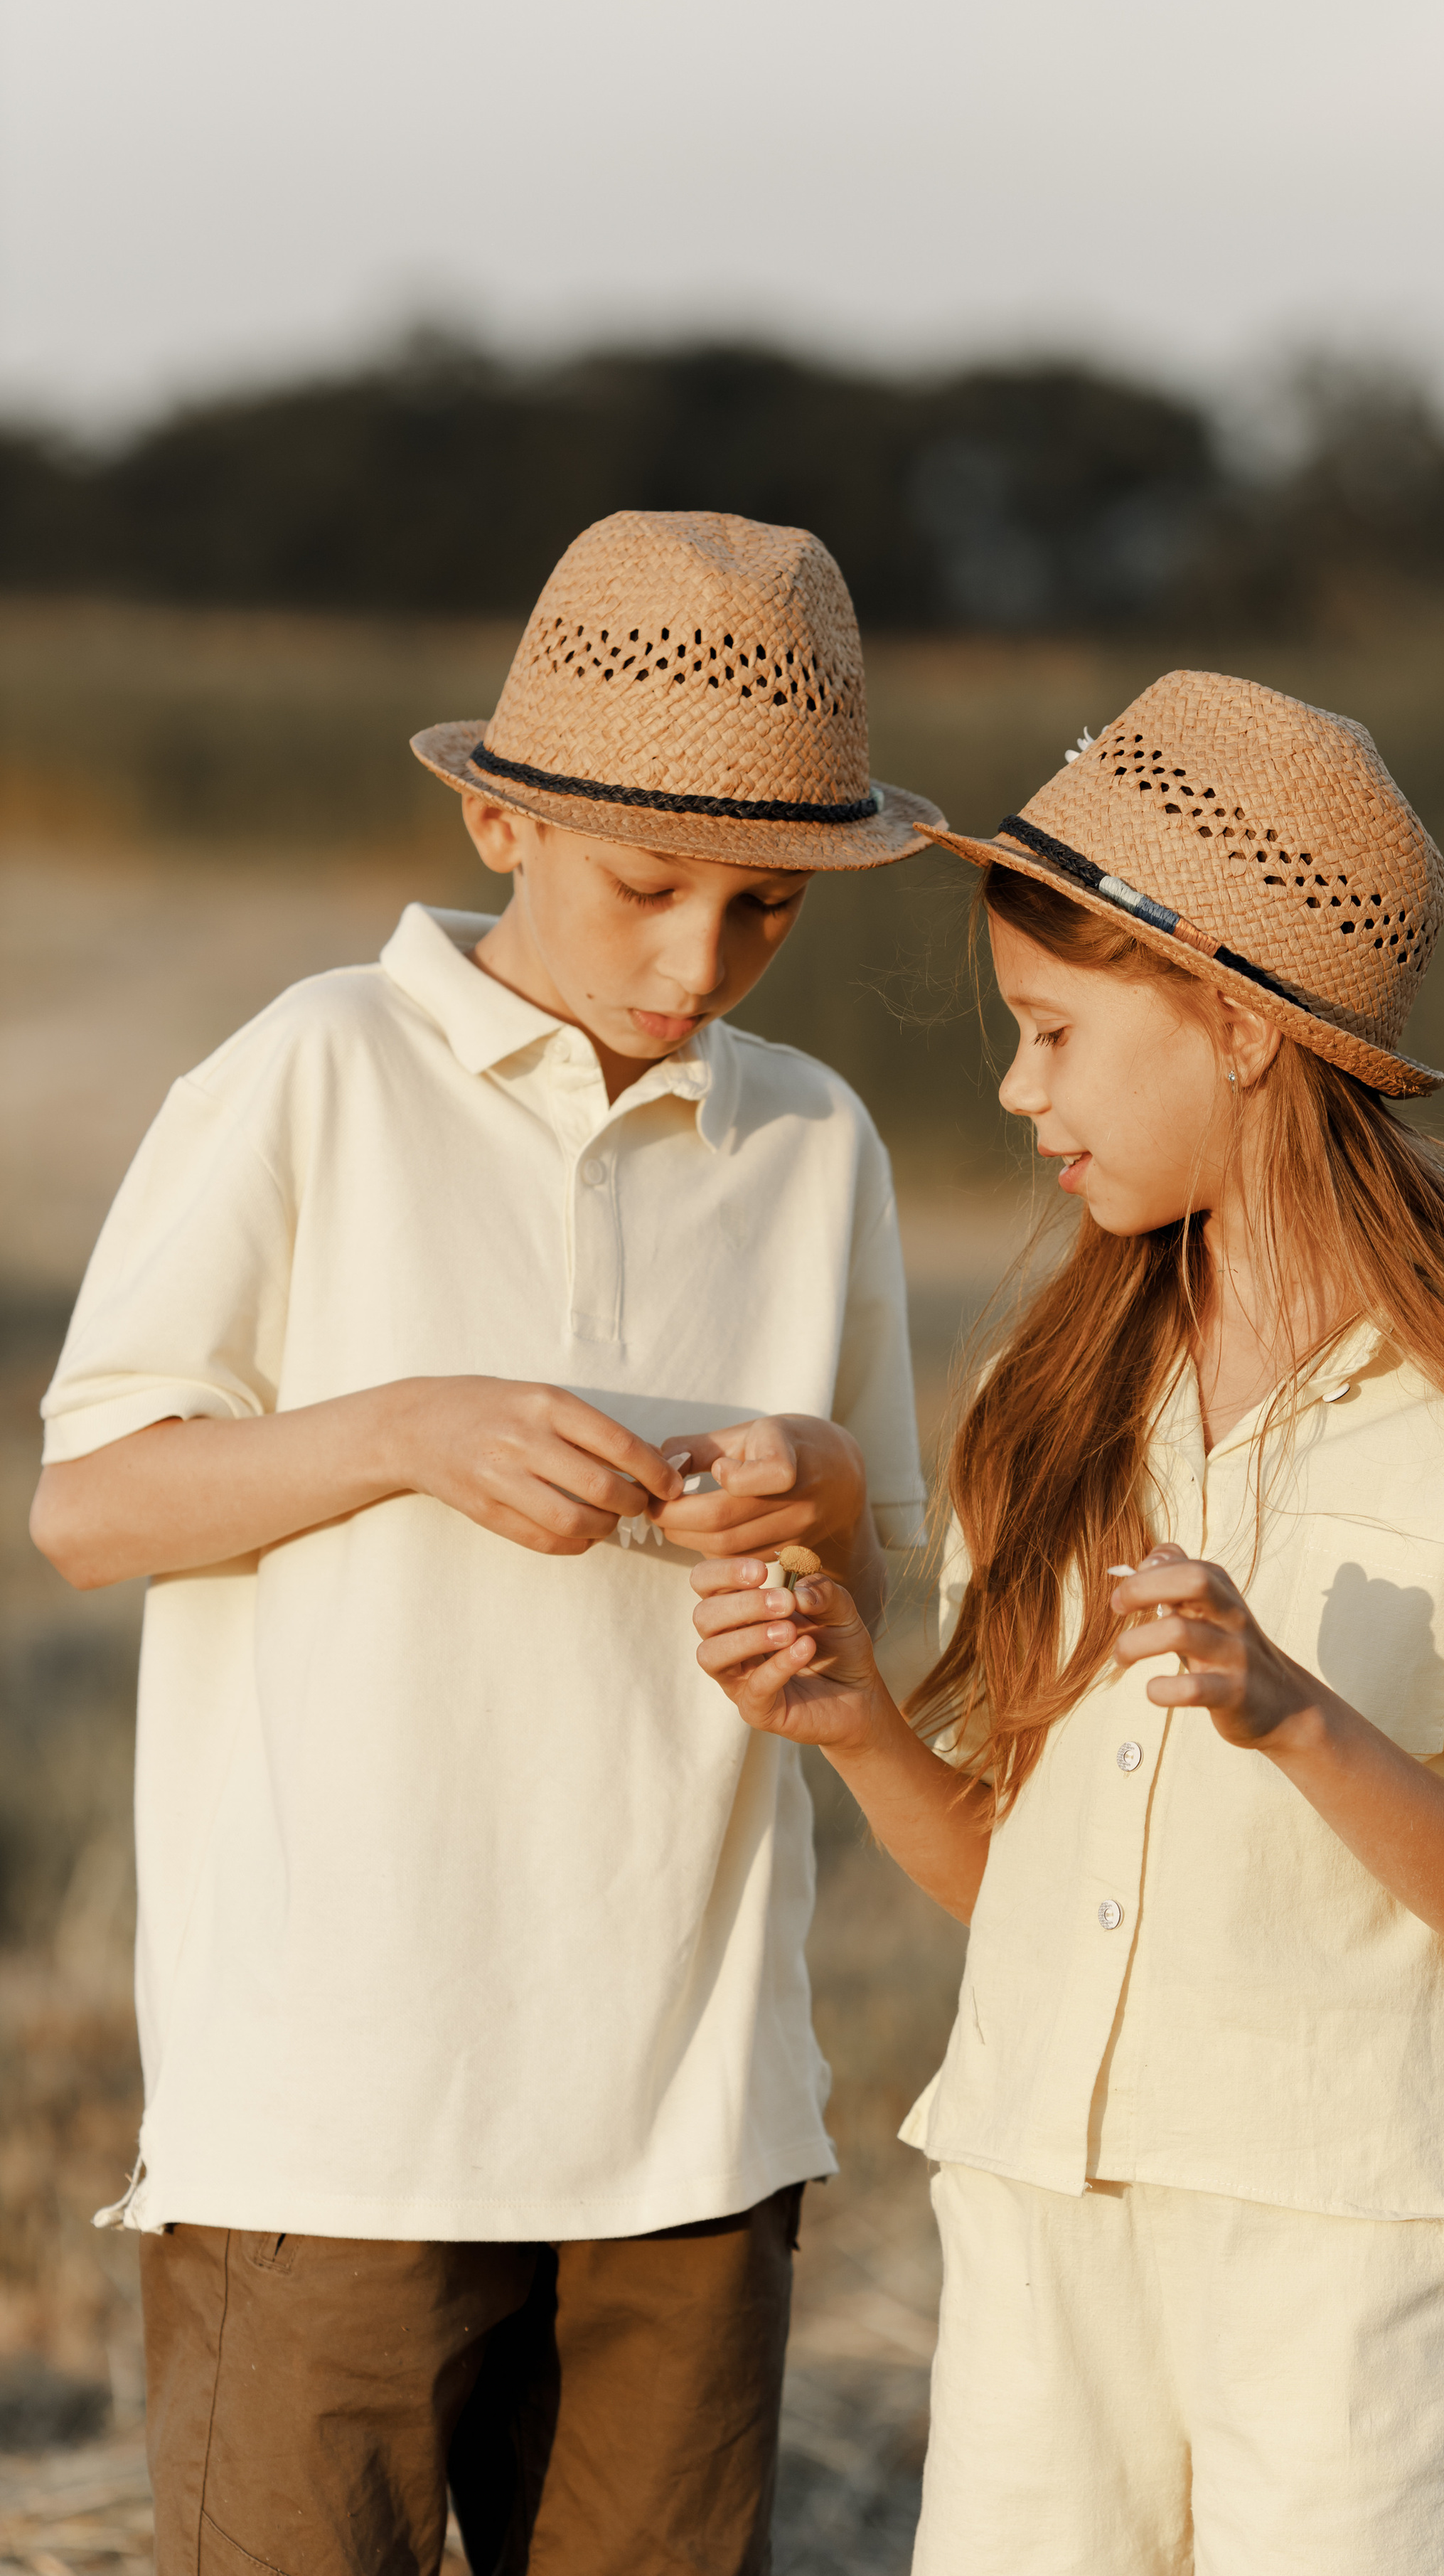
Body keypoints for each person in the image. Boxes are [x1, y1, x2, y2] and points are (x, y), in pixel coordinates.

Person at [689, 670, 1444, 2576]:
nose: (1020, 1090)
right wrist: (858, 1728)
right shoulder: (1055, 1384)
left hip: (1336, 2260)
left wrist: (1294, 1714)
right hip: (1037, 2218)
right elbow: (1020, 1867)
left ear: (1239, 1027)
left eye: (1056, 1033)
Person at [29, 510, 941, 2576]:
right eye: (650, 887)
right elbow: (88, 1509)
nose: (697, 964)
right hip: (334, 2110)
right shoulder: (311, 1071)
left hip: (694, 2114)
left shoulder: (815, 1144)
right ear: (500, 818)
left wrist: (814, 1494)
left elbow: (892, 1618)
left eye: (765, 911)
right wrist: (401, 1431)